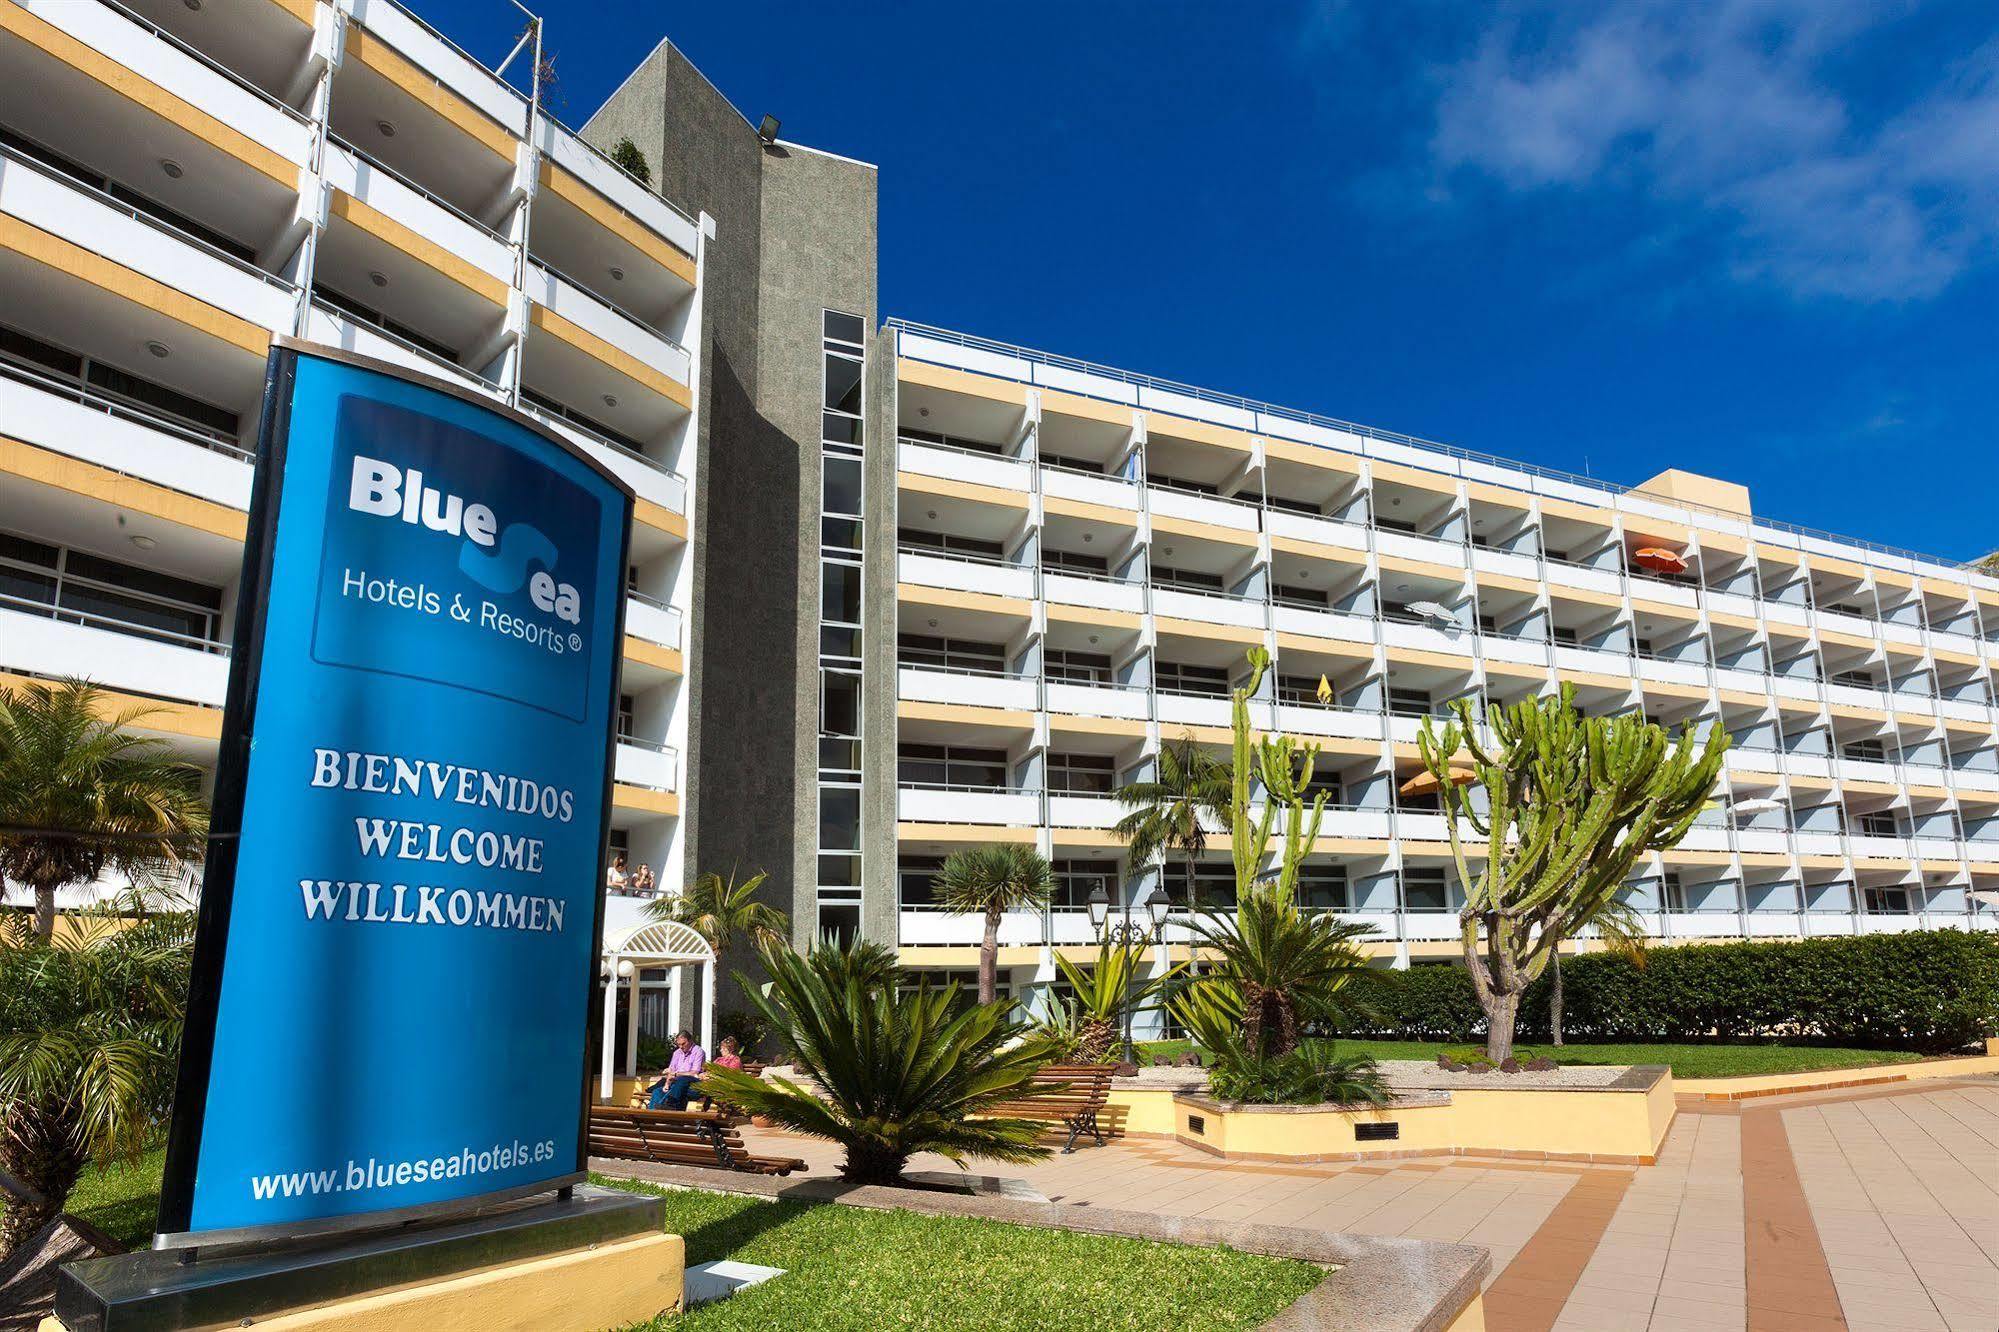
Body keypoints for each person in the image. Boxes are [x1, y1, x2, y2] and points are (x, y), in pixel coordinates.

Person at [655, 1030, 704, 1111]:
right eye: (679, 1044)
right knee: (657, 1091)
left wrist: (676, 1074)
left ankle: (670, 1104)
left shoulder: (698, 1051)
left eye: (683, 1044)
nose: (681, 1046)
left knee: (682, 1079)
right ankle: (651, 1118)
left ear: (690, 1041)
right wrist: (667, 1084)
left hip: (692, 1084)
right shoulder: (677, 1053)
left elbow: (695, 1072)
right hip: (676, 1083)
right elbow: (671, 1071)